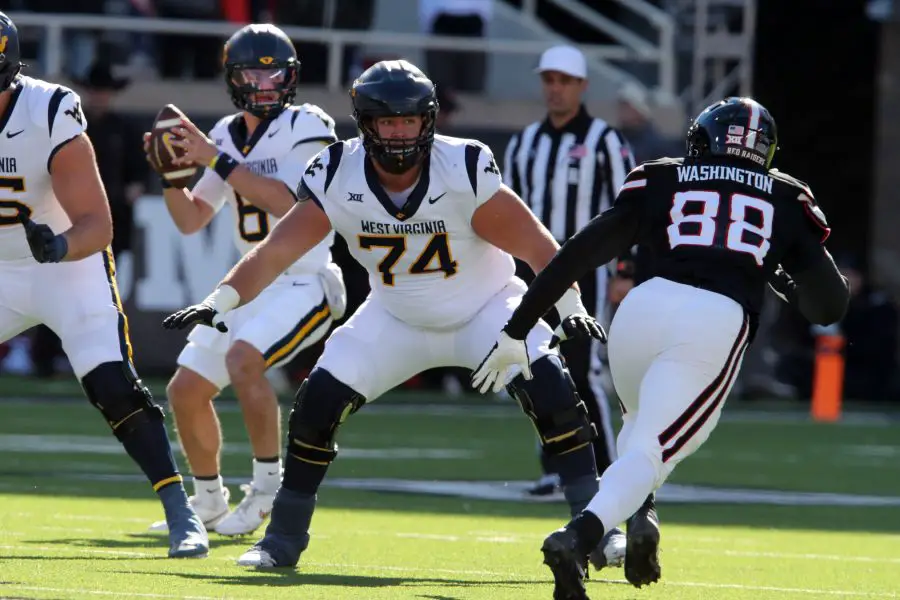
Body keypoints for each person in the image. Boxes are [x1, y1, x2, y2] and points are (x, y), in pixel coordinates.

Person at [162, 59, 615, 569]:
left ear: (428, 120)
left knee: (553, 392)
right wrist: (220, 300)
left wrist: (570, 305)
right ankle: (282, 538)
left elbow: (538, 249)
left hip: (485, 309)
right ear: (366, 123)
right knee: (316, 407)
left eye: (409, 120)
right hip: (395, 316)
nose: (400, 132)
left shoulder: (462, 166)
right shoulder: (337, 171)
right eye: (388, 121)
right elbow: (273, 252)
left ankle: (597, 527)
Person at [472, 97, 850, 596]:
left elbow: (578, 253)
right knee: (654, 450)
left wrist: (517, 327)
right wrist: (778, 272)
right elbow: (828, 306)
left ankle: (642, 514)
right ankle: (580, 535)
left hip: (640, 311)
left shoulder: (664, 176)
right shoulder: (785, 197)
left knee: (639, 432)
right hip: (714, 318)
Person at [0, 11, 207, 558]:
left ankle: (180, 510)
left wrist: (59, 246)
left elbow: (98, 223)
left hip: (66, 263)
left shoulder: (47, 110)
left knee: (113, 385)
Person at [143, 24, 346, 538]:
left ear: (292, 74)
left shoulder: (308, 123)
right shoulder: (228, 132)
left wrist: (213, 158)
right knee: (185, 389)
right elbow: (192, 219)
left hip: (305, 277)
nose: (267, 79)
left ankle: (267, 489)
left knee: (243, 361)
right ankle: (208, 499)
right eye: (255, 69)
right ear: (234, 78)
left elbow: (291, 202)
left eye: (275, 68)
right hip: (250, 283)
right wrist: (171, 178)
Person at [504, 46, 633, 514]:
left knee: (582, 370)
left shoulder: (604, 140)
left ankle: (605, 470)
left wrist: (625, 270)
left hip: (587, 272)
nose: (555, 88)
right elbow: (509, 208)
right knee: (537, 368)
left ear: (582, 86)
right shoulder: (524, 144)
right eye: (549, 79)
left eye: (564, 80)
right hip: (533, 270)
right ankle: (557, 469)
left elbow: (627, 208)